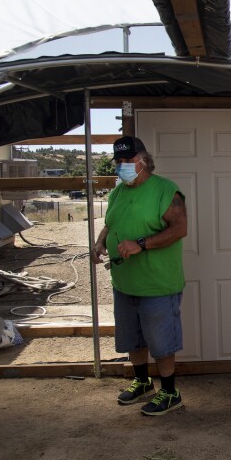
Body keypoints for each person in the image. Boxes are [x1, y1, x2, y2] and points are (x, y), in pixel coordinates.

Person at [92, 136, 188, 416]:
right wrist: (100, 242)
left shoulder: (166, 191)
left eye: (128, 160)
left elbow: (179, 230)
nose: (122, 166)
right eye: (118, 161)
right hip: (124, 282)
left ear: (144, 160)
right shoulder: (118, 191)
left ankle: (170, 392)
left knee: (161, 342)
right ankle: (143, 382)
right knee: (133, 338)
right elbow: (110, 225)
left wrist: (141, 244)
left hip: (157, 283)